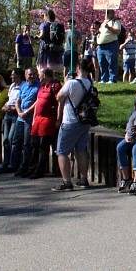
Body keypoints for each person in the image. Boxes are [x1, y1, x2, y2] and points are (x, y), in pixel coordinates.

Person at [52, 57, 94, 191]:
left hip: (70, 121)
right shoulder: (89, 82)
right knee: (81, 150)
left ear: (77, 69)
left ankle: (67, 182)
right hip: (84, 121)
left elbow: (58, 96)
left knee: (62, 152)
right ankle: (83, 179)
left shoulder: (71, 83)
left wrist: (66, 82)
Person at [28, 68, 61, 178]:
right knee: (34, 144)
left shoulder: (55, 86)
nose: (38, 76)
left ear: (46, 75)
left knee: (43, 146)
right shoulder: (42, 87)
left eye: (40, 74)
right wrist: (33, 118)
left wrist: (58, 119)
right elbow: (38, 103)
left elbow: (60, 103)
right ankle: (31, 168)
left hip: (48, 120)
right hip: (37, 120)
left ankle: (40, 170)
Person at [12, 68, 40, 176]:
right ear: (25, 75)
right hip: (20, 118)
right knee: (16, 141)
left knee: (27, 144)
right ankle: (15, 165)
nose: (31, 76)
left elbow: (37, 102)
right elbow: (18, 100)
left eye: (33, 74)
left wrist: (27, 112)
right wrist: (19, 111)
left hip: (29, 118)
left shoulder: (38, 86)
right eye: (29, 74)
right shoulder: (23, 86)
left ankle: (26, 167)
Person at [0, 68, 23, 173]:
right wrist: (4, 106)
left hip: (16, 115)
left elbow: (22, 101)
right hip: (7, 115)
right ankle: (6, 163)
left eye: (13, 75)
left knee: (12, 139)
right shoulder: (12, 86)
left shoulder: (23, 86)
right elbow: (9, 99)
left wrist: (14, 108)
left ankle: (13, 164)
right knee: (6, 139)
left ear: (19, 75)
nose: (11, 77)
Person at [37, 9, 65, 76]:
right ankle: (53, 84)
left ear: (46, 16)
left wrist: (35, 37)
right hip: (55, 49)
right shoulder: (57, 25)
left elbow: (42, 35)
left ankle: (43, 85)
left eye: (43, 15)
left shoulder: (44, 25)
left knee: (41, 69)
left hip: (44, 49)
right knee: (52, 70)